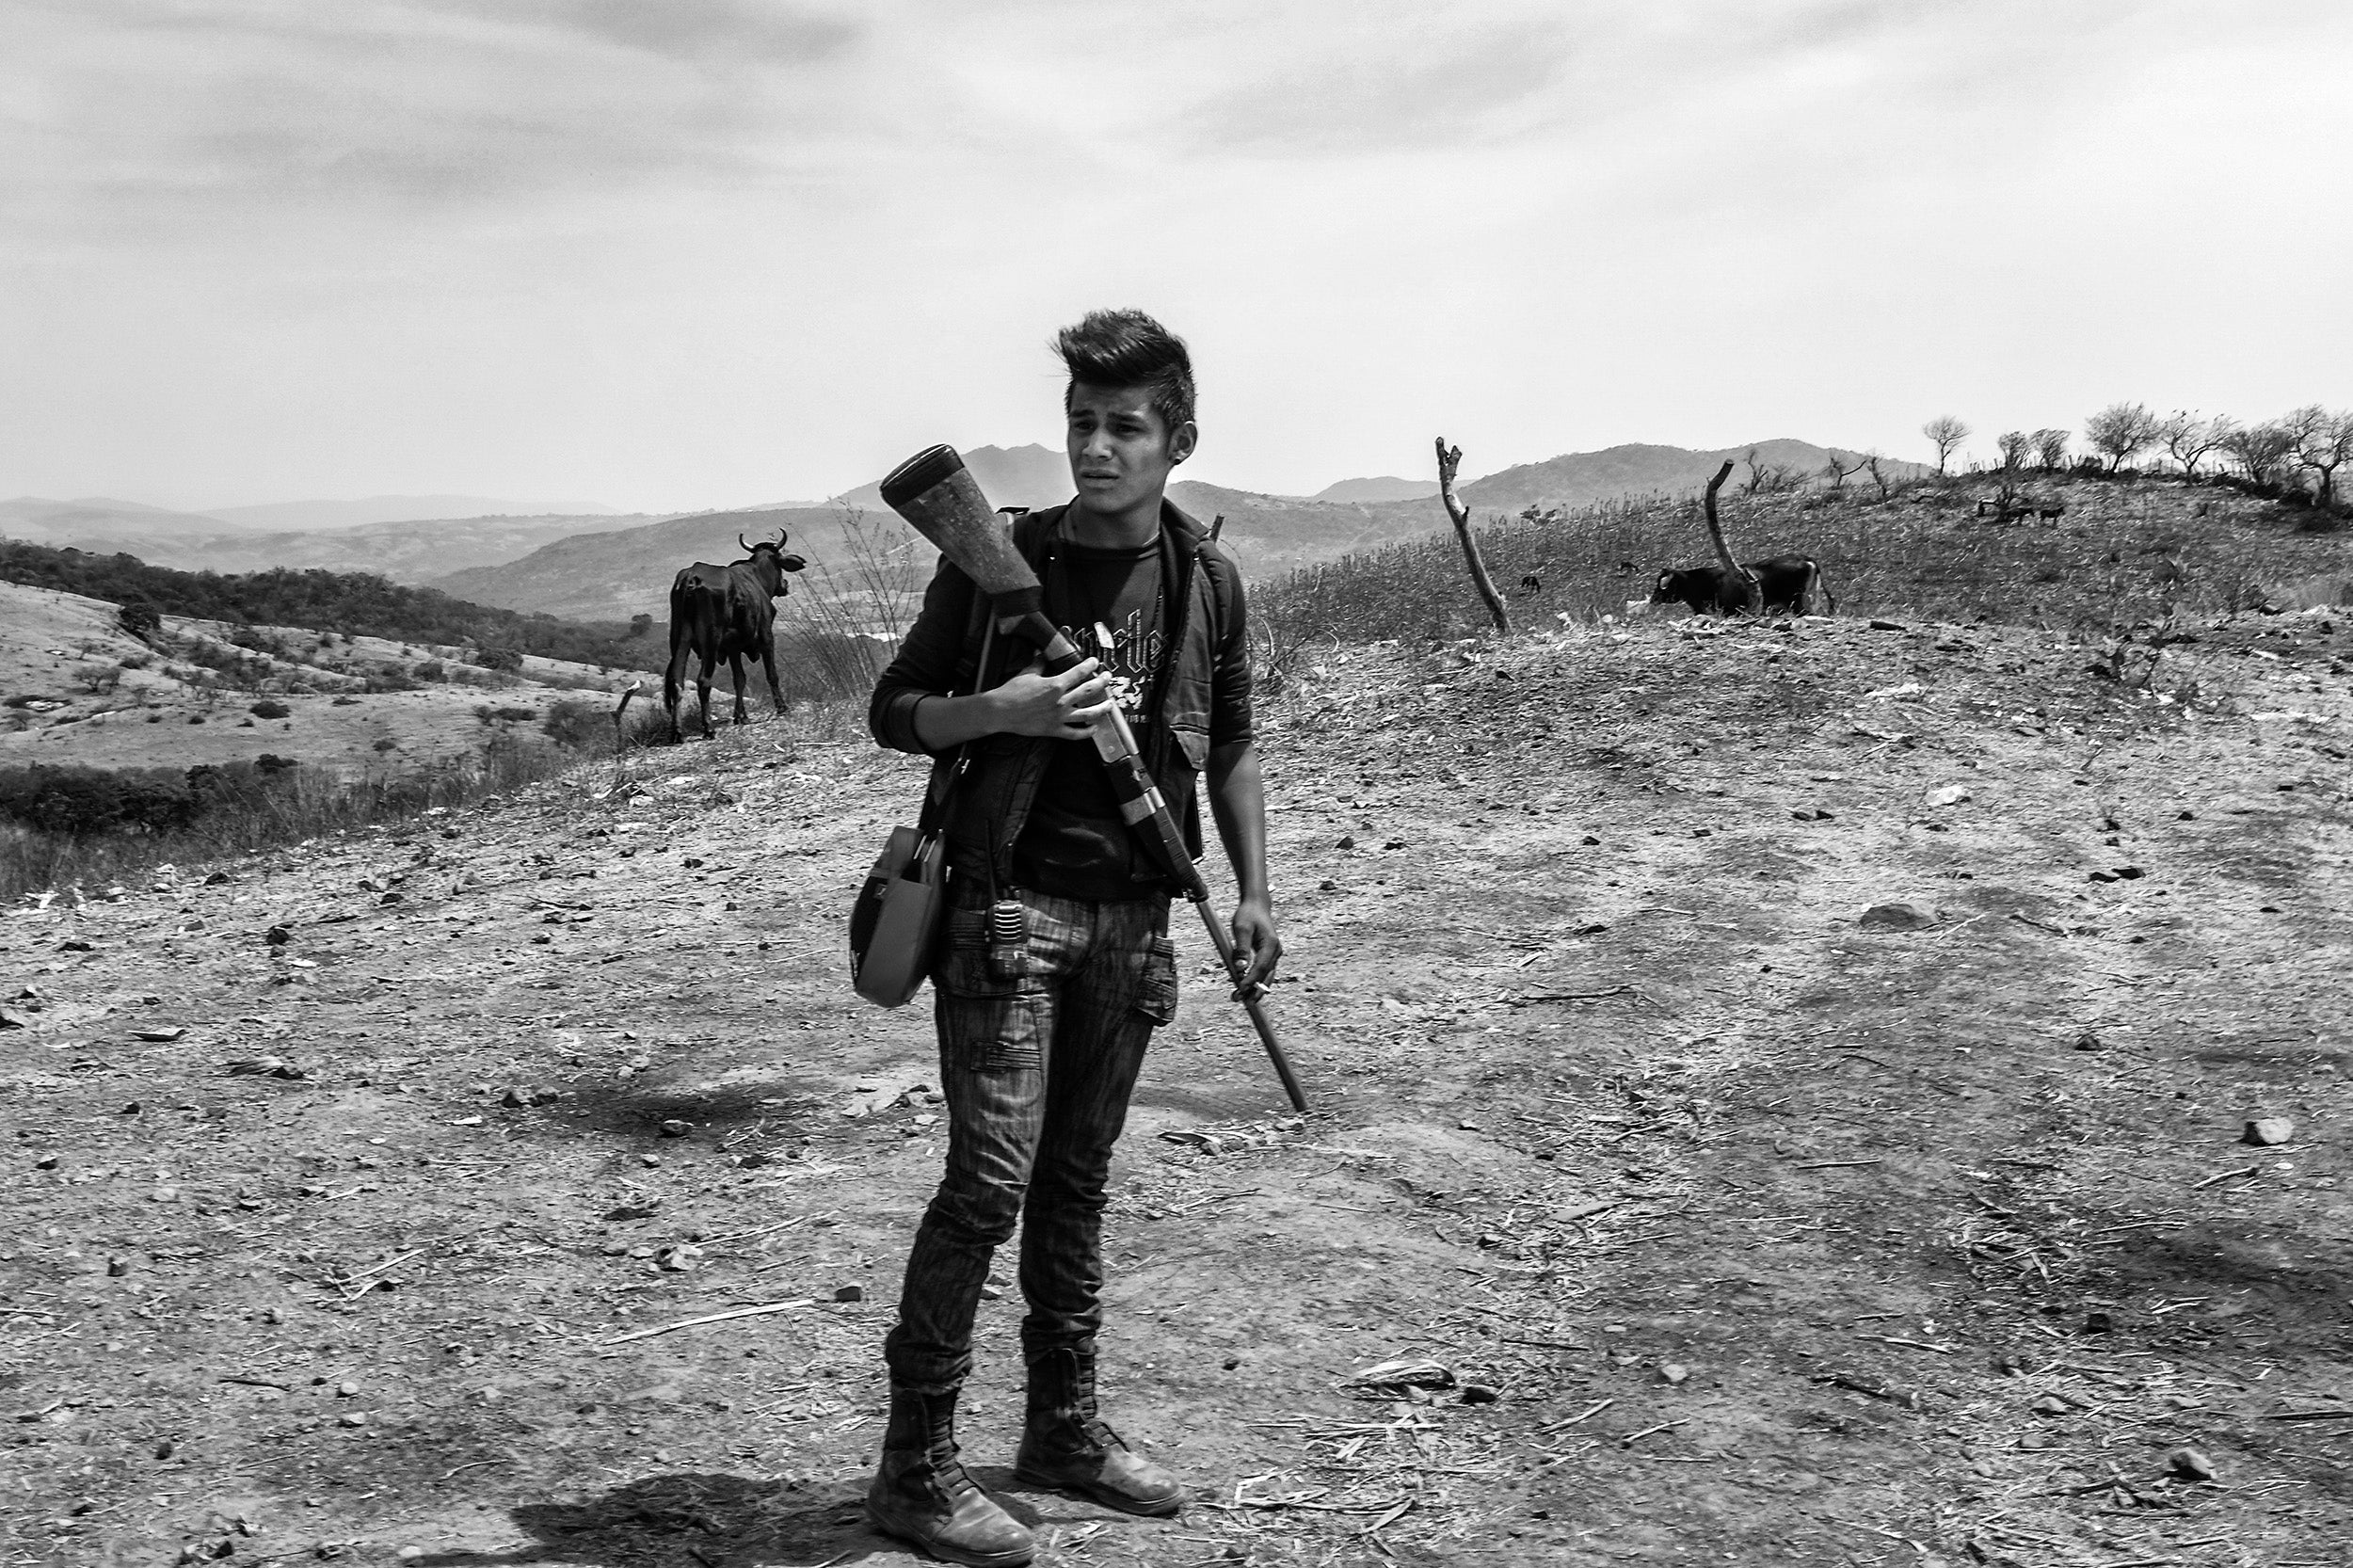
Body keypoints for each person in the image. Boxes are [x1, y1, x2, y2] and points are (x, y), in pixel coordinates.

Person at [863, 309, 1280, 1566]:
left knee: (1077, 1177)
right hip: (1007, 912)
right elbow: (893, 712)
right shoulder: (1005, 565)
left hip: (1142, 917)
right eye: (1082, 424)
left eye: (1127, 427)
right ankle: (916, 1467)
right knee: (990, 1178)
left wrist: (1257, 893)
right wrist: (1003, 707)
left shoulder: (1208, 578)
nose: (1098, 449)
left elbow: (1238, 740)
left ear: (1179, 439)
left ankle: (1063, 1432)